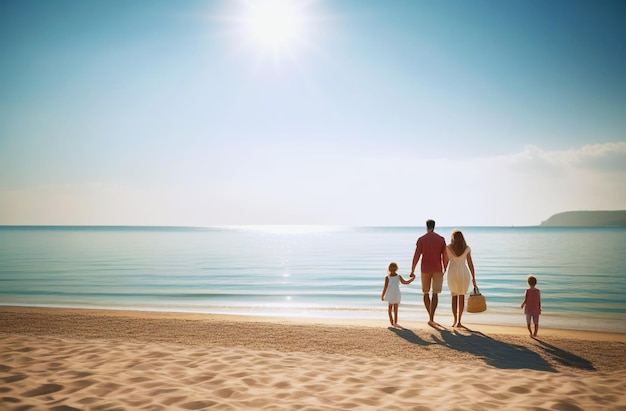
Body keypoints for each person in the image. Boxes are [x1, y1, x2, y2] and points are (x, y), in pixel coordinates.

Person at [410, 219, 448, 326]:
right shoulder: (441, 239)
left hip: (425, 269)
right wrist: (445, 268)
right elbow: (445, 256)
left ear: (426, 227)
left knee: (425, 293)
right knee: (435, 293)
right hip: (437, 269)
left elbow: (416, 256)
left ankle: (430, 317)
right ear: (434, 226)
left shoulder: (421, 239)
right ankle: (432, 317)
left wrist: (412, 270)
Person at [446, 230, 476, 328]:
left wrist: (442, 272)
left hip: (452, 273)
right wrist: (473, 277)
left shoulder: (448, 248)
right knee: (461, 296)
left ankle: (454, 320)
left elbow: (445, 263)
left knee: (454, 296)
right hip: (464, 273)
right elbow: (470, 264)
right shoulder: (467, 248)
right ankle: (459, 321)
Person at [381, 262, 414, 326]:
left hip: (390, 294)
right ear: (396, 269)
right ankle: (395, 323)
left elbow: (385, 287)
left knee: (390, 309)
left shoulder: (387, 277)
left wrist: (382, 295)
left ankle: (392, 322)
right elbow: (405, 282)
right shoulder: (398, 276)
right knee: (396, 309)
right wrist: (412, 279)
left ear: (389, 269)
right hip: (396, 293)